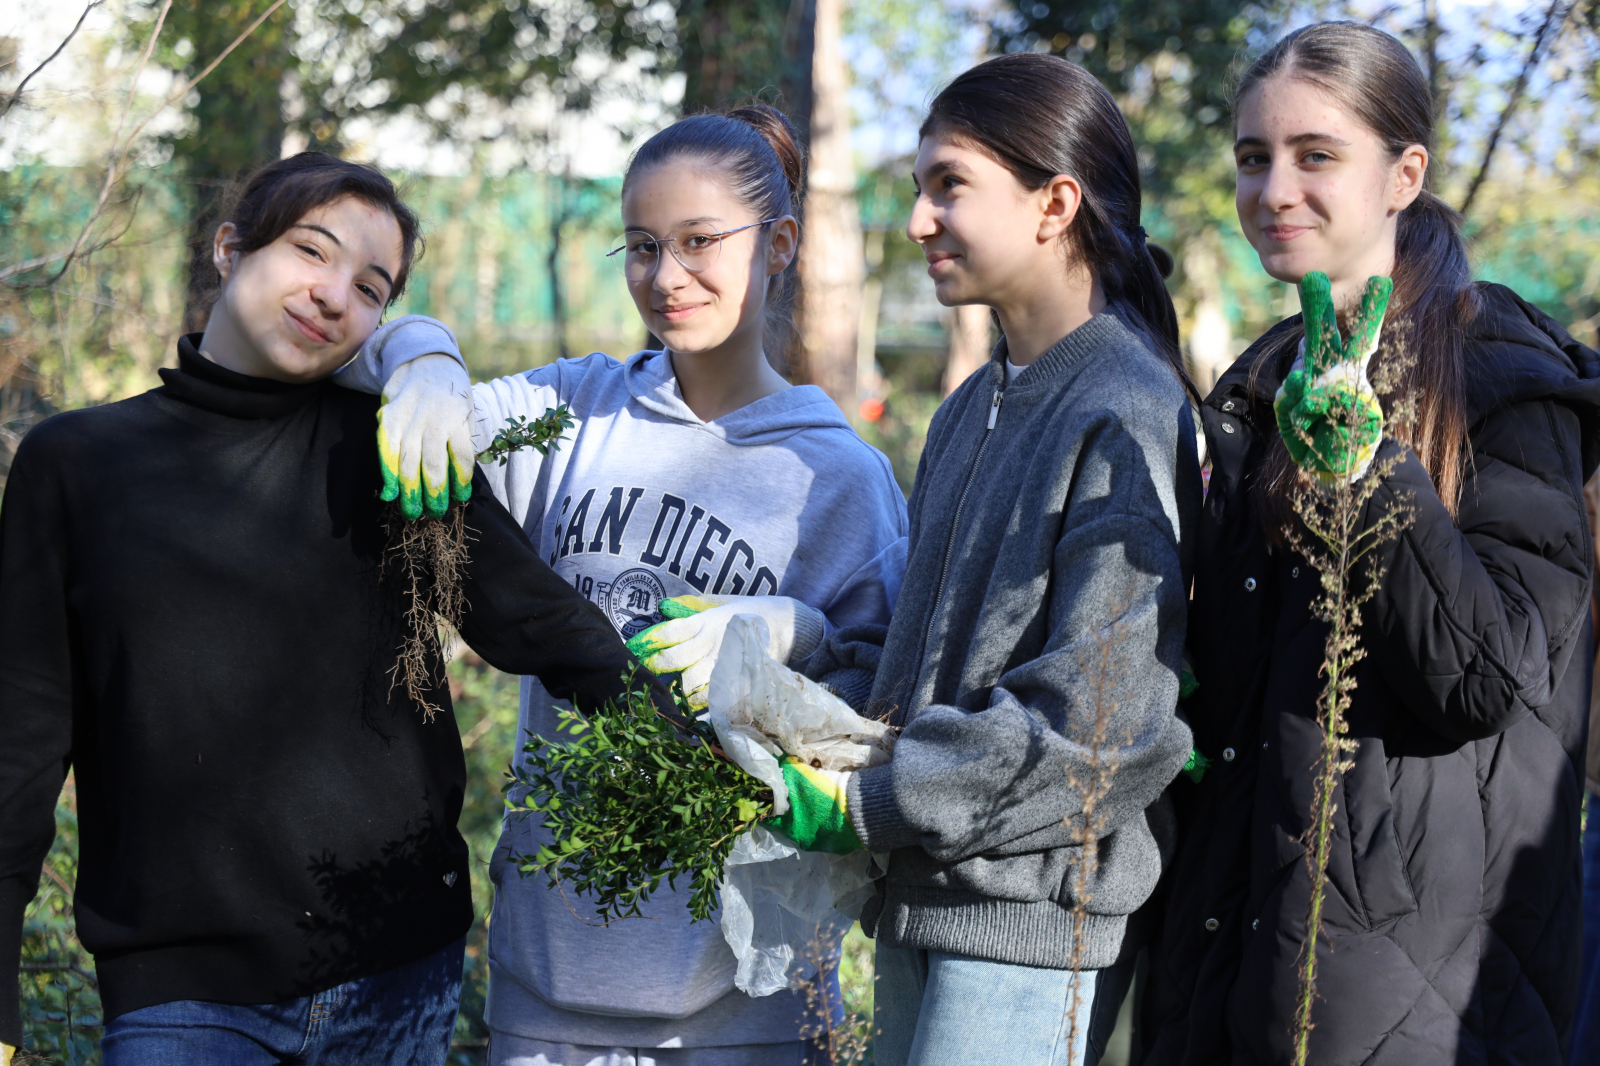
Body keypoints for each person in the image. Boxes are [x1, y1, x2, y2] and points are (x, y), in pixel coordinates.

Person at [0, 152, 665, 1066]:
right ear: (229, 247)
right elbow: (22, 738)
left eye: (370, 288)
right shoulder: (78, 464)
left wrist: (710, 751)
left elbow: (541, 623)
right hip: (183, 993)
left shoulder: (388, 448)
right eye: (311, 251)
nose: (331, 295)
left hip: (395, 977)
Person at [357, 105, 909, 1065]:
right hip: (548, 986)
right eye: (643, 246)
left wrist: (798, 631)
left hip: (747, 1009)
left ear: (779, 245)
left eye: (699, 241)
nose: (666, 276)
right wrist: (424, 355)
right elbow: (361, 361)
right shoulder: (574, 410)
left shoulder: (839, 478)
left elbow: (882, 718)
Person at [676, 54, 1198, 1066]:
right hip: (922, 900)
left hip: (1031, 931)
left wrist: (868, 801)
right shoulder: (970, 407)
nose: (918, 220)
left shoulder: (1125, 406)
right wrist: (777, 683)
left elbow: (1098, 731)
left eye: (948, 185)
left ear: (1055, 204)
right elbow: (919, 670)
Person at [1142, 22, 1600, 1064]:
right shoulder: (1262, 387)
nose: (1273, 190)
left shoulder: (1502, 377)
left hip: (1410, 992)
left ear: (1404, 175)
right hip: (1233, 962)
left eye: (1315, 155)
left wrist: (1365, 475)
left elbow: (1490, 676)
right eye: (1252, 158)